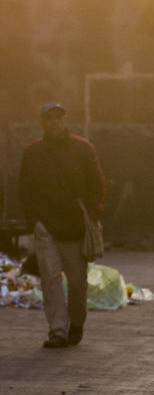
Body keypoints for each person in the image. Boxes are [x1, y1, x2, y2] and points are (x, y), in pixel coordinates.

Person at [18, 100, 105, 349]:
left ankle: (76, 323)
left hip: (75, 227)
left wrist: (91, 214)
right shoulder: (33, 152)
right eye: (50, 118)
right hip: (46, 227)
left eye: (59, 118)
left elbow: (97, 184)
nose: (55, 122)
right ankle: (57, 330)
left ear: (65, 120)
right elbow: (25, 189)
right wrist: (34, 222)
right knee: (50, 280)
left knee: (77, 284)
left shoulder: (82, 148)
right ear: (43, 123)